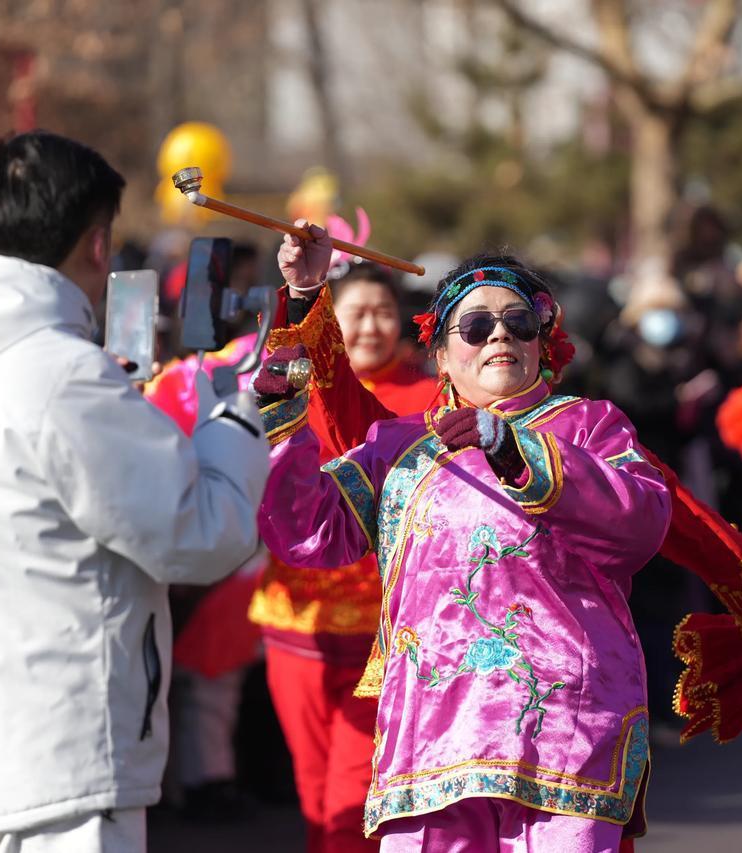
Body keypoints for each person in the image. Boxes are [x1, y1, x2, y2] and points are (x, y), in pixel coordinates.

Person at [0, 131, 269, 852]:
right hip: (66, 749)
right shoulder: (62, 374)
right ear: (98, 244)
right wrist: (238, 414)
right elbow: (199, 534)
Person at [254, 232, 672, 851]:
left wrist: (509, 445)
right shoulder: (400, 448)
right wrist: (284, 422)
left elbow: (640, 523)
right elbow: (308, 531)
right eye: (475, 326)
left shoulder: (591, 426)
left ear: (541, 343)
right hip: (434, 742)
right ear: (442, 358)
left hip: (562, 734)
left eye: (518, 322)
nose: (499, 335)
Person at [249, 260, 438, 853]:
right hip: (295, 622)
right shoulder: (290, 388)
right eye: (355, 312)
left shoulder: (431, 397)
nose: (371, 326)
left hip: (380, 631)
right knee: (312, 790)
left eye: (383, 312)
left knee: (352, 795)